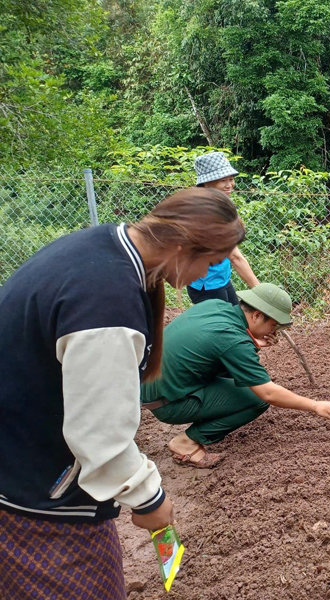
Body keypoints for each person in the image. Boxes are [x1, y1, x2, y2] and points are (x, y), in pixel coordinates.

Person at [0, 188, 245, 599]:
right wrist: (149, 498)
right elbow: (100, 435)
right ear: (183, 247)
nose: (208, 275)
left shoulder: (102, 246)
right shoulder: (107, 303)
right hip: (33, 493)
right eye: (212, 262)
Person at [142, 283, 330, 468]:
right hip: (167, 404)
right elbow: (267, 393)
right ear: (257, 315)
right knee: (256, 400)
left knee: (239, 378)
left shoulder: (215, 306)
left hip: (152, 385)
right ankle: (186, 442)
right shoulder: (233, 340)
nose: (274, 332)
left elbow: (215, 351)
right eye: (274, 325)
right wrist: (315, 405)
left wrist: (250, 344)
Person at [187, 151, 260, 305]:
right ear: (206, 183)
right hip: (206, 286)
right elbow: (235, 257)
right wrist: (260, 292)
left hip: (220, 279)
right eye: (222, 180)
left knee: (235, 316)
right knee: (221, 326)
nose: (229, 185)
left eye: (231, 179)